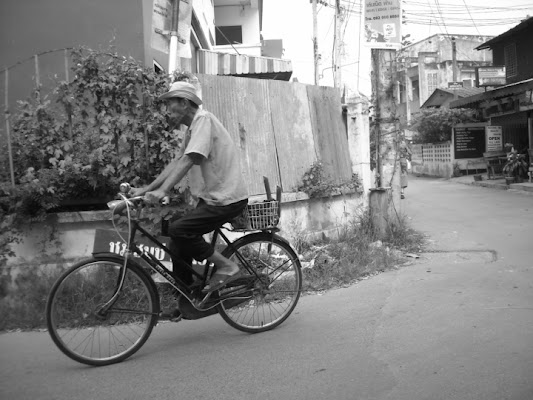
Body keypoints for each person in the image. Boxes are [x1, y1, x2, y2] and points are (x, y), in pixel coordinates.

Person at [130, 81, 248, 293]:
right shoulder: (192, 128)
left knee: (179, 230)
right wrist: (146, 189)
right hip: (213, 198)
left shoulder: (203, 120)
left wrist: (163, 191)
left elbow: (190, 158)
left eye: (169, 104)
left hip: (226, 199)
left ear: (184, 103)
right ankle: (188, 295)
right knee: (177, 241)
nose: (166, 111)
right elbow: (177, 162)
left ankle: (228, 266)